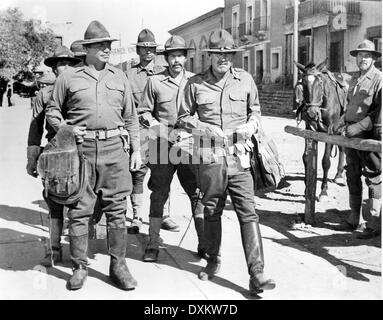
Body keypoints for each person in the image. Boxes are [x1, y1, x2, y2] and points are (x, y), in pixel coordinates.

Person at [177, 29, 275, 295]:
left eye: (228, 54)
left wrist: (252, 125)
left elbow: (255, 110)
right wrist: (205, 129)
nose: (224, 59)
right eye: (219, 54)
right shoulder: (195, 84)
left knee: (248, 211)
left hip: (239, 156)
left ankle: (257, 272)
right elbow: (183, 117)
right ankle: (212, 260)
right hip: (210, 157)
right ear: (210, 55)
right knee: (212, 210)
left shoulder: (244, 80)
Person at [46, 20, 141, 291]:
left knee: (117, 211)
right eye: (100, 45)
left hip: (114, 150)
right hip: (82, 151)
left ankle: (118, 265)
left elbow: (131, 117)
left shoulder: (119, 76)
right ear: (87, 48)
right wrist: (66, 127)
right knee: (79, 210)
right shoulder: (68, 78)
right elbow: (53, 111)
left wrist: (135, 150)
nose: (106, 49)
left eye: (109, 45)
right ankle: (79, 267)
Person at [137, 35, 205, 262]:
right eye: (172, 56)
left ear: (186, 57)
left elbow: (202, 112)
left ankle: (204, 244)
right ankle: (153, 244)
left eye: (180, 56)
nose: (177, 60)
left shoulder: (196, 81)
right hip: (161, 144)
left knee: (196, 193)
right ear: (166, 58)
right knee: (159, 194)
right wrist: (157, 128)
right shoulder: (154, 82)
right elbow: (143, 112)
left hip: (188, 143)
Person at [26, 46, 81, 267]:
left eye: (69, 63)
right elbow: (35, 128)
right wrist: (32, 158)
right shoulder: (44, 94)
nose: (65, 67)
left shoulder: (82, 90)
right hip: (55, 154)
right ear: (54, 68)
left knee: (86, 202)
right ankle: (55, 250)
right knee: (55, 203)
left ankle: (86, 252)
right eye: (60, 64)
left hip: (83, 152)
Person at [125, 29, 180, 234]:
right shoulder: (129, 75)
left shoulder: (164, 73)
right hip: (138, 132)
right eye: (143, 48)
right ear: (137, 49)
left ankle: (164, 214)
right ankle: (137, 216)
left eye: (151, 49)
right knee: (137, 174)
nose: (148, 52)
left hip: (160, 133)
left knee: (162, 175)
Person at [331, 40, 382, 239]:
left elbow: (379, 111)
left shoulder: (379, 79)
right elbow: (349, 105)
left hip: (368, 136)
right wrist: (341, 121)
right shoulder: (355, 79)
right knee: (352, 174)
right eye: (360, 56)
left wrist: (359, 127)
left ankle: (374, 223)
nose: (362, 59)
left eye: (367, 56)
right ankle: (353, 218)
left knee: (373, 177)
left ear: (374, 59)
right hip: (350, 136)